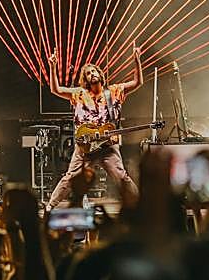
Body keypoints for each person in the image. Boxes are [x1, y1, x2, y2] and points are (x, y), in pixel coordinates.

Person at [45, 47, 142, 210]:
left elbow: (137, 82)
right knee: (69, 178)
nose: (92, 74)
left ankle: (140, 206)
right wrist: (53, 67)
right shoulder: (79, 94)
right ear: (85, 80)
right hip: (85, 147)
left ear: (100, 74)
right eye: (88, 73)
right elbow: (56, 90)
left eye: (94, 71)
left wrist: (137, 60)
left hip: (107, 147)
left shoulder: (114, 91)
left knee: (122, 177)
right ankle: (50, 207)